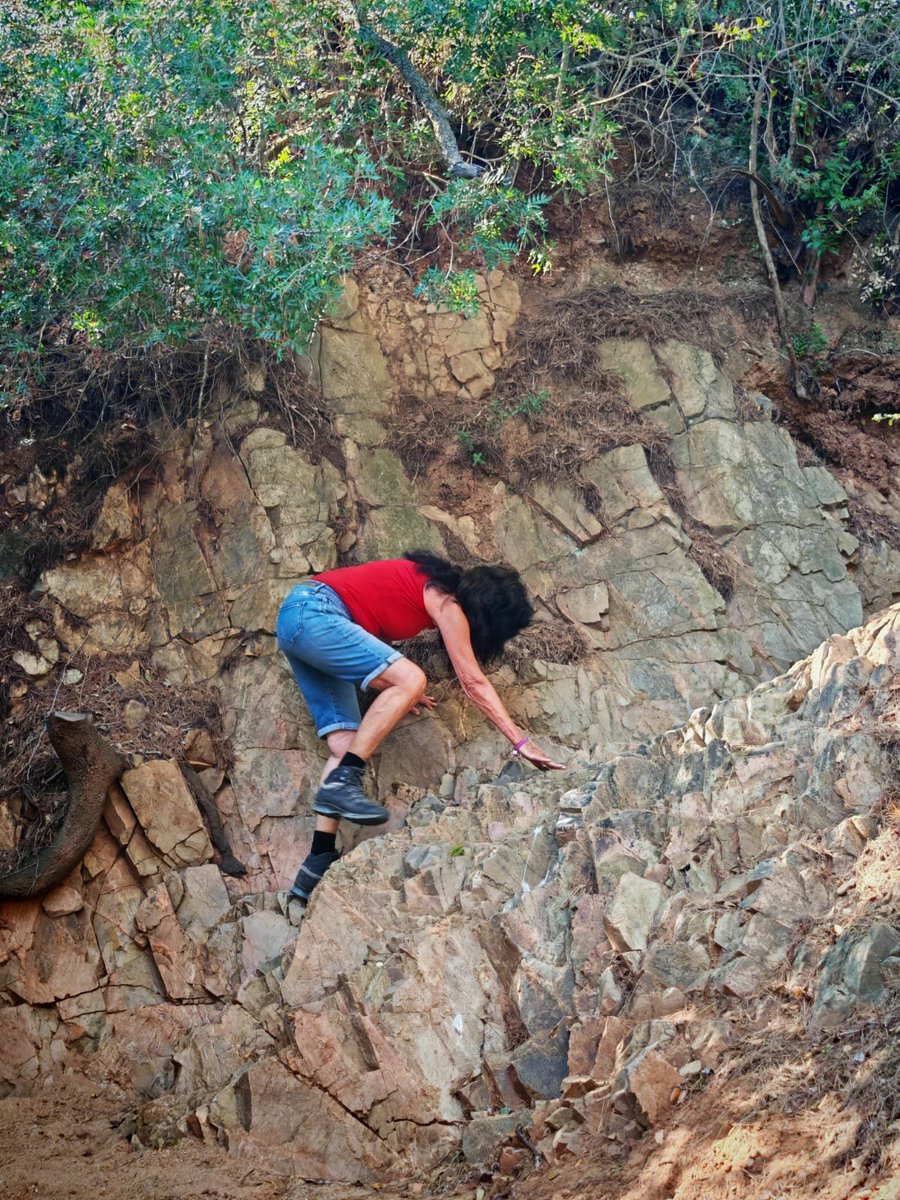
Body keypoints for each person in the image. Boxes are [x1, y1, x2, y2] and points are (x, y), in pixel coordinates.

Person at [276, 550, 565, 901]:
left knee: (344, 745)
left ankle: (316, 861)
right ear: (492, 616)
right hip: (316, 612)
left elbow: (367, 643)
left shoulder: (428, 584)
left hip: (300, 622)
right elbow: (473, 682)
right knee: (414, 678)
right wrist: (520, 743)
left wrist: (401, 691)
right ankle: (347, 780)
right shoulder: (448, 604)